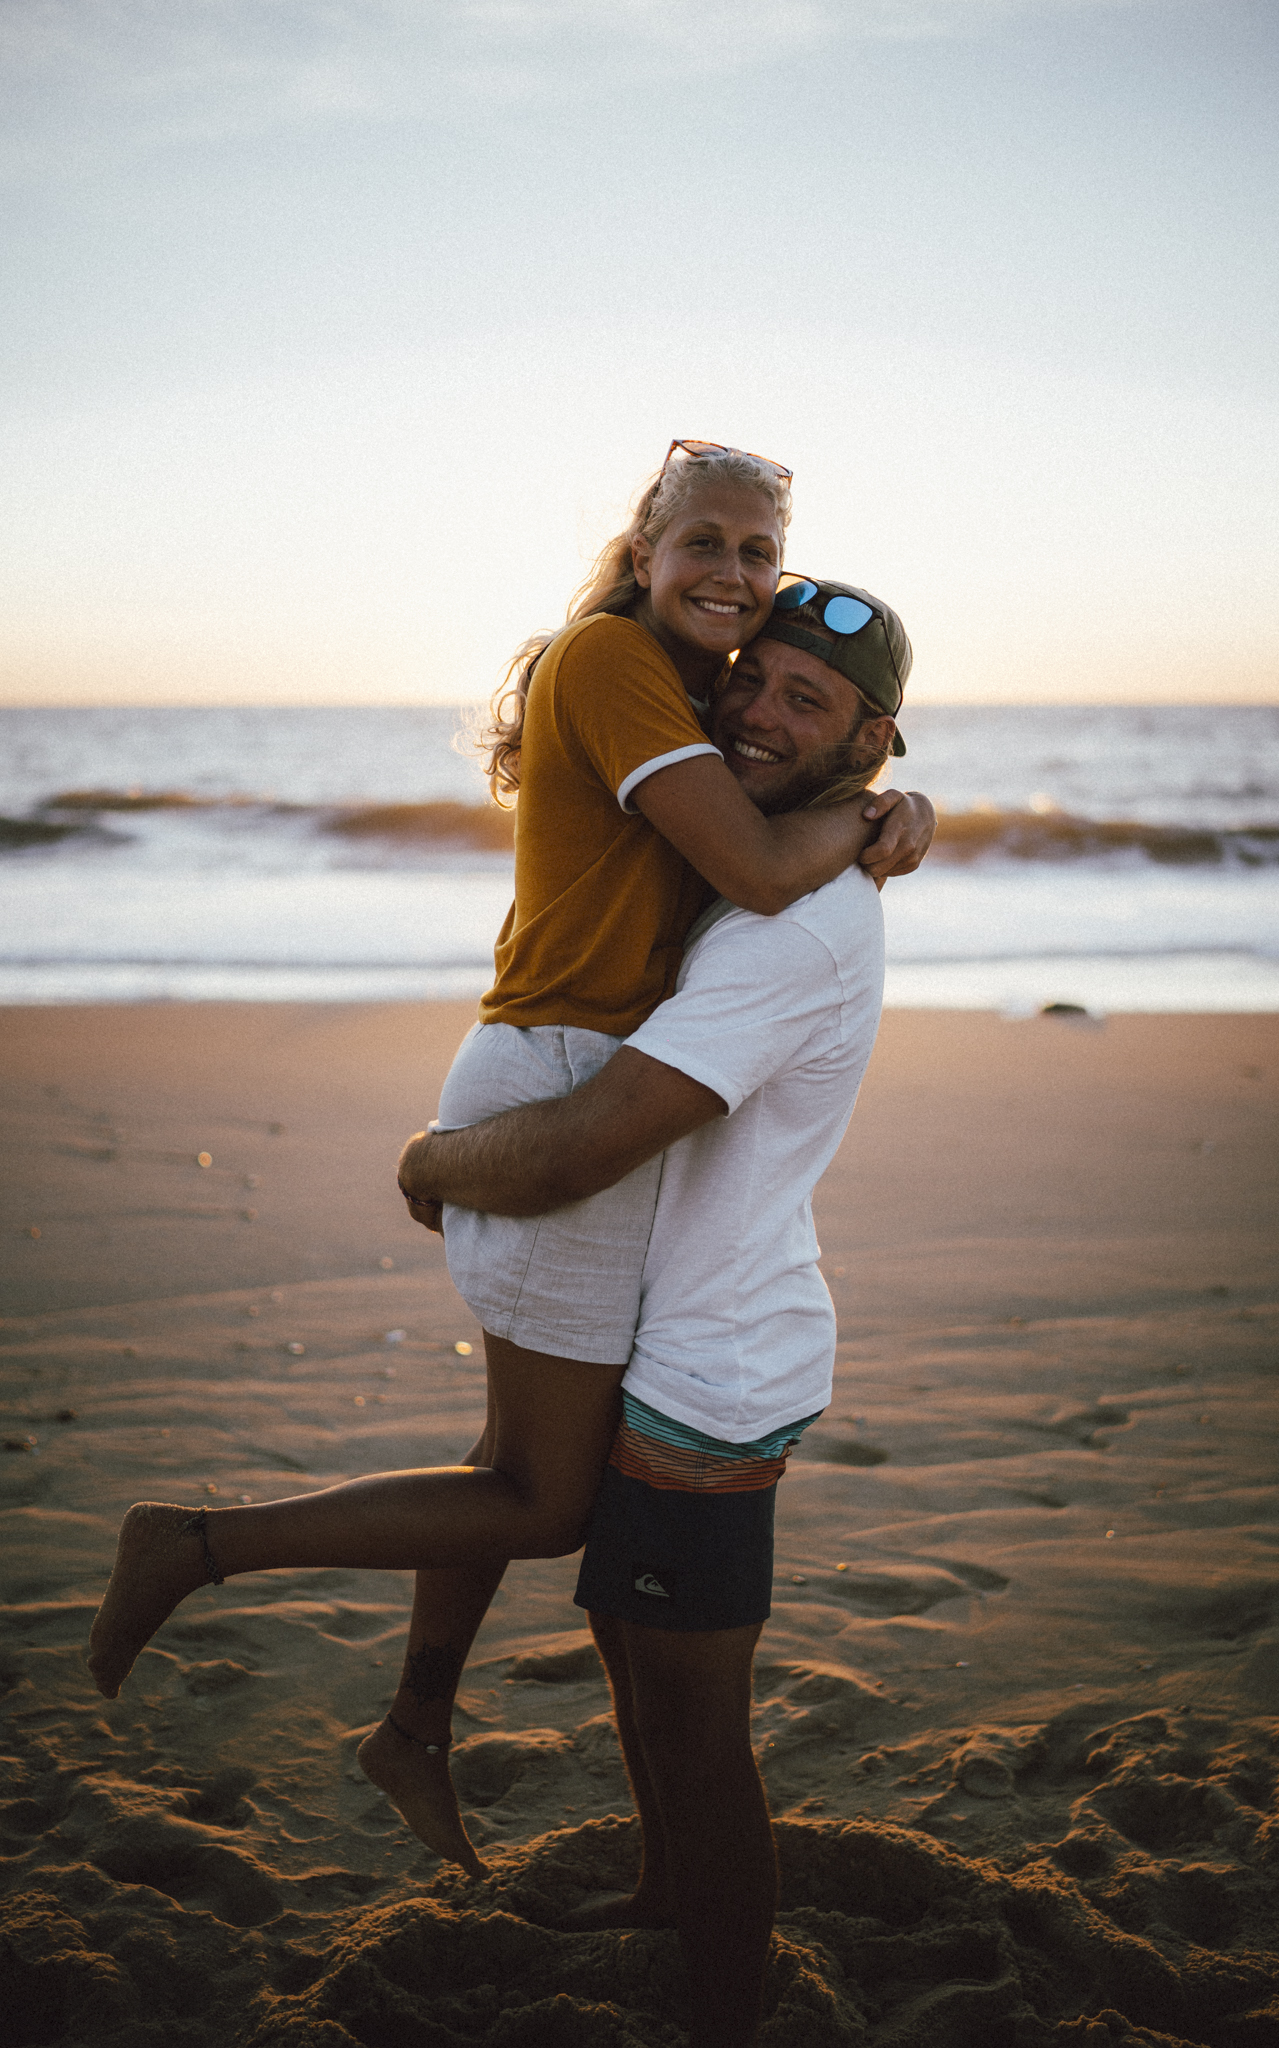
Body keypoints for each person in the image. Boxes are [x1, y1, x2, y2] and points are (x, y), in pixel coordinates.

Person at [85, 448, 931, 1848]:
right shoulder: (611, 662)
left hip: (563, 1059)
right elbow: (757, 866)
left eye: (757, 551)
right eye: (703, 542)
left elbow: (775, 793)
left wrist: (892, 802)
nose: (730, 574)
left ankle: (416, 1724)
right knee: (541, 1502)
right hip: (564, 1078)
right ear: (645, 550)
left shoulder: (685, 691)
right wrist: (873, 812)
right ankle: (197, 1545)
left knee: (507, 1459)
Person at [393, 577, 911, 2048]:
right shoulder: (749, 864)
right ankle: (658, 1901)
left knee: (697, 1735)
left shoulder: (788, 932)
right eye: (752, 679)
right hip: (659, 1333)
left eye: (806, 701)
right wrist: (887, 817)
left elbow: (581, 1150)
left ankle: (727, 2010)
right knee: (633, 1674)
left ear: (868, 742)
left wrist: (432, 1165)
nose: (757, 712)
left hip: (708, 1377)